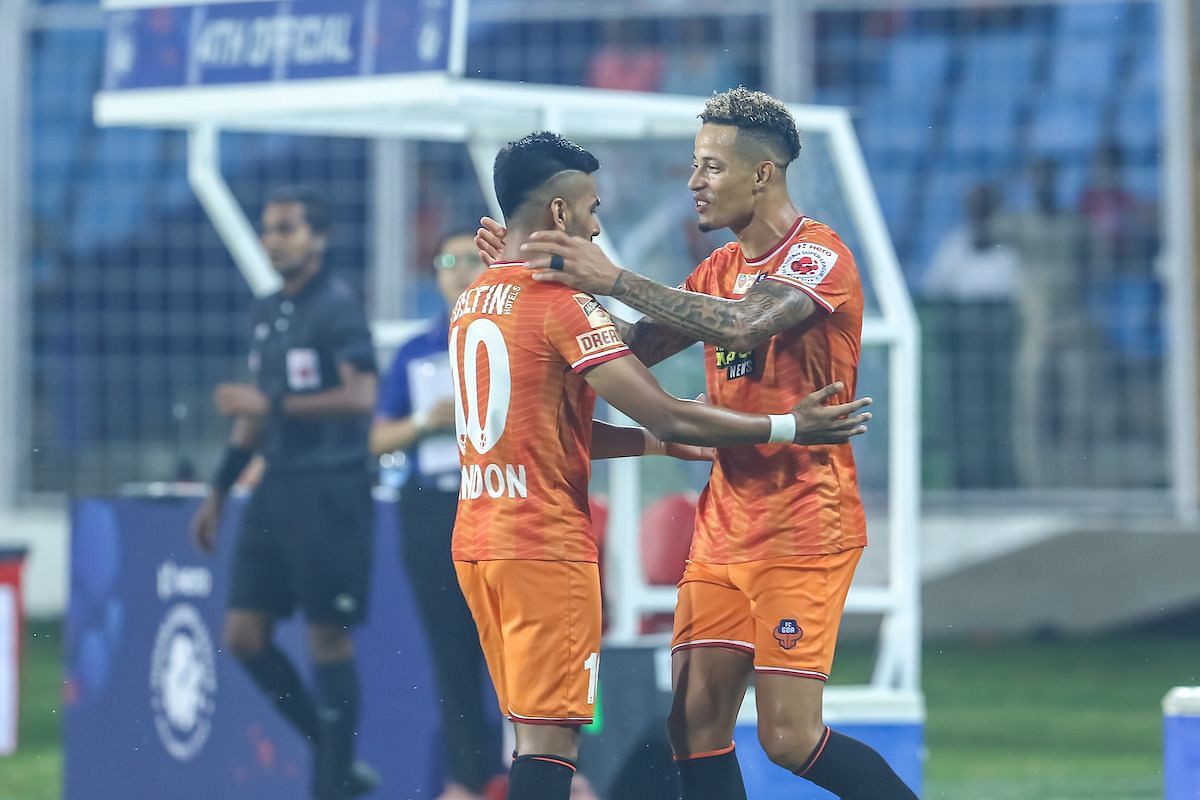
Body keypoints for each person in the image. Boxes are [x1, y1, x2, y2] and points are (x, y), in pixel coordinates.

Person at [478, 88, 918, 799]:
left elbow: (746, 325)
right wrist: (534, 275)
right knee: (693, 725)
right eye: (693, 165)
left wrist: (614, 278)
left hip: (804, 522)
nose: (694, 182)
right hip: (724, 525)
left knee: (789, 740)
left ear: (763, 175)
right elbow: (624, 350)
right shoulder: (716, 271)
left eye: (711, 166)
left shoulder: (818, 256)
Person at [190, 186, 380, 800]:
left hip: (331, 492)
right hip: (276, 488)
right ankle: (335, 760)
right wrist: (219, 489)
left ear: (317, 238)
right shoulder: (267, 311)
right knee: (244, 635)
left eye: (287, 229)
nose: (274, 240)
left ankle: (331, 783)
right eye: (268, 230)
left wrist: (268, 404)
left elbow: (361, 398)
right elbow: (255, 415)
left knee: (328, 637)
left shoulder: (338, 308)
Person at [370, 231, 505, 800]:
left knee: (515, 648)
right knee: (450, 653)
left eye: (471, 260)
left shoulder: (508, 339)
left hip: (499, 497)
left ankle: (546, 769)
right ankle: (467, 779)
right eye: (448, 261)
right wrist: (427, 422)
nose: (458, 271)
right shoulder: (416, 352)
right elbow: (376, 436)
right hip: (432, 507)